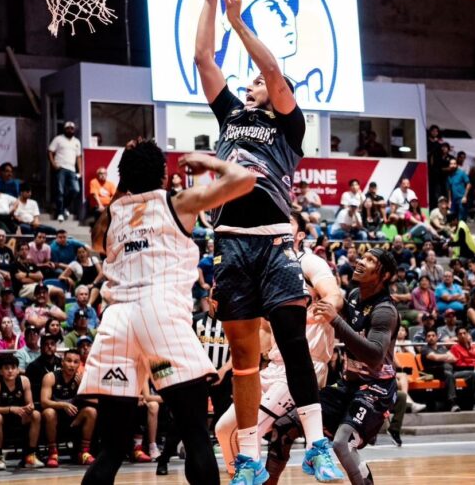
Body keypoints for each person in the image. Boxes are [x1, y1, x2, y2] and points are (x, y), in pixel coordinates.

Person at [194, 0, 340, 484]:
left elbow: (274, 71)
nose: (253, 83)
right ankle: (250, 456)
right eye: (251, 82)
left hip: (276, 241)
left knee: (293, 343)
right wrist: (212, 0)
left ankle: (318, 445)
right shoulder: (231, 115)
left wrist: (239, 21)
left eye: (258, 83)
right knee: (243, 360)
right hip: (231, 243)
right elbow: (204, 63)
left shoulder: (288, 125)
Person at [79, 141, 256, 485]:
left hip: (117, 324)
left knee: (112, 450)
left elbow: (99, 245)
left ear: (123, 176)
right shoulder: (178, 202)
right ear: (162, 174)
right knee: (195, 435)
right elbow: (244, 179)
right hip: (160, 318)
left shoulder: (108, 216)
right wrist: (205, 162)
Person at [215, 212, 342, 480]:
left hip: (304, 366)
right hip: (273, 365)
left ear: (298, 236)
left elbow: (333, 293)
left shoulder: (308, 262)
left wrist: (328, 305)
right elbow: (262, 326)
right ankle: (241, 476)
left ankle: (314, 452)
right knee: (223, 429)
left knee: (248, 434)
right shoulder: (264, 267)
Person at [310, 248, 400, 485]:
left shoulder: (385, 310)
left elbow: (374, 355)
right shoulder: (353, 296)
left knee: (341, 443)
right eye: (362, 257)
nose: (361, 262)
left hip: (376, 388)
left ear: (386, 276)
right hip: (349, 383)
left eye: (371, 260)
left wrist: (336, 320)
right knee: (299, 415)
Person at [41, 349, 98, 467]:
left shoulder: (81, 379)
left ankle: (84, 452)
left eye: (76, 362)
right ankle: (53, 453)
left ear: (79, 364)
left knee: (91, 411)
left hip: (74, 419)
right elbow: (44, 402)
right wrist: (63, 404)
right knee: (49, 412)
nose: (72, 365)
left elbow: (96, 401)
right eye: (69, 361)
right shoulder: (50, 377)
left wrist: (82, 387)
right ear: (62, 362)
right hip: (55, 420)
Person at [0, 354, 43, 470]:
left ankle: (30, 455)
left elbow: (30, 403)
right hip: (2, 417)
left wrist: (29, 407)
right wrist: (10, 409)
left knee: (36, 414)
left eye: (13, 368)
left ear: (18, 370)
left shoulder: (24, 380)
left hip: (20, 416)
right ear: (1, 371)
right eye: (6, 368)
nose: (10, 371)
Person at [48, 121, 82, 222]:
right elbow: (50, 151)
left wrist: (80, 170)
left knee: (75, 190)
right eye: (68, 128)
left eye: (72, 128)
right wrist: (53, 164)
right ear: (64, 129)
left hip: (72, 169)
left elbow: (79, 157)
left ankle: (63, 208)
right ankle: (60, 213)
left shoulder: (76, 141)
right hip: (61, 167)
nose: (70, 130)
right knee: (60, 191)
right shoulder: (58, 139)